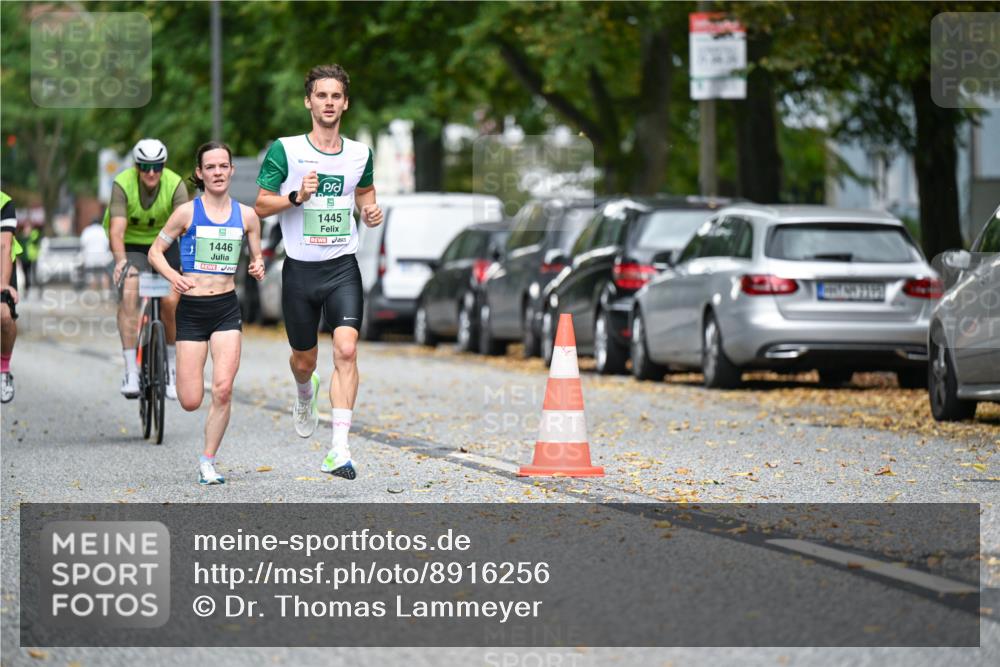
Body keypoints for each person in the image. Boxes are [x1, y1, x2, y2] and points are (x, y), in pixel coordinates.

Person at [254, 64, 383, 479]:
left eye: (336, 96)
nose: (329, 103)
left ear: (345, 102)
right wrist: (297, 195)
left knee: (346, 349)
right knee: (304, 360)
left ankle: (339, 449)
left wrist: (370, 209)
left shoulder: (361, 153)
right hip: (300, 271)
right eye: (321, 96)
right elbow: (261, 204)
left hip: (343, 267)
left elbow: (364, 193)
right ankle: (303, 392)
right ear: (309, 101)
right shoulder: (286, 150)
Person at [148, 141, 264, 485]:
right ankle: (175, 367)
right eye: (210, 167)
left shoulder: (247, 216)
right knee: (189, 400)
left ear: (231, 170)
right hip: (192, 311)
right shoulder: (187, 213)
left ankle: (208, 461)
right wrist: (174, 277)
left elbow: (257, 258)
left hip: (226, 308)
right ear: (200, 173)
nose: (217, 172)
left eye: (222, 166)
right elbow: (156, 252)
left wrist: (258, 266)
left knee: (224, 389)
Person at [105, 138, 188, 399]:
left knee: (170, 301)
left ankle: (171, 369)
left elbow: (185, 229)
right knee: (129, 293)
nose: (151, 173)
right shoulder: (122, 184)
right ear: (136, 166)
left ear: (163, 166)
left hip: (166, 244)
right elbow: (117, 231)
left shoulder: (175, 184)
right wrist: (121, 262)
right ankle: (131, 370)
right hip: (132, 245)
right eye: (144, 166)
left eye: (156, 166)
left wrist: (185, 268)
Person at [1, 191, 22, 403]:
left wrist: (3, 285)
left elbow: (5, 246)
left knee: (4, 316)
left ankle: (3, 370)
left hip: (1, 263)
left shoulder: (4, 203)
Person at [79, 215, 112, 291]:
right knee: (104, 275)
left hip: (90, 258)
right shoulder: (103, 230)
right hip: (103, 258)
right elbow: (108, 245)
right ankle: (105, 293)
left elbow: (83, 244)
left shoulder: (87, 231)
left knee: (92, 276)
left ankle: (93, 294)